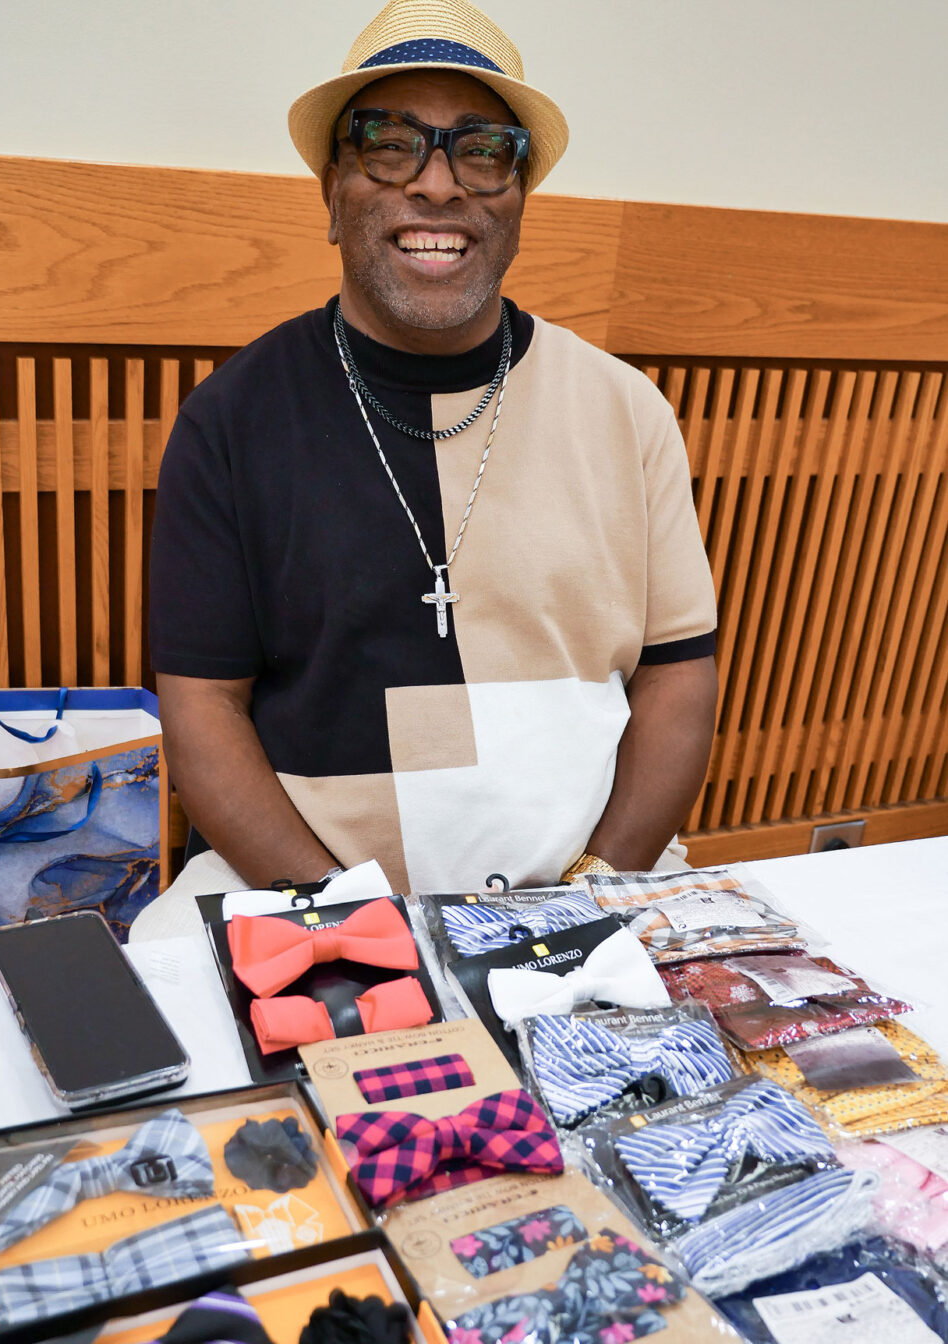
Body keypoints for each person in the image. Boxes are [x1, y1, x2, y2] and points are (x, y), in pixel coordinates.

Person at [141, 0, 717, 926]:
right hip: (305, 893)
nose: (439, 185)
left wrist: (587, 896)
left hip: (588, 887)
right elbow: (203, 708)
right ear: (331, 191)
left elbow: (678, 673)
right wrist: (354, 920)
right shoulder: (228, 422)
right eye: (390, 144)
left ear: (519, 199)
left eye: (482, 150)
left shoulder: (627, 410)